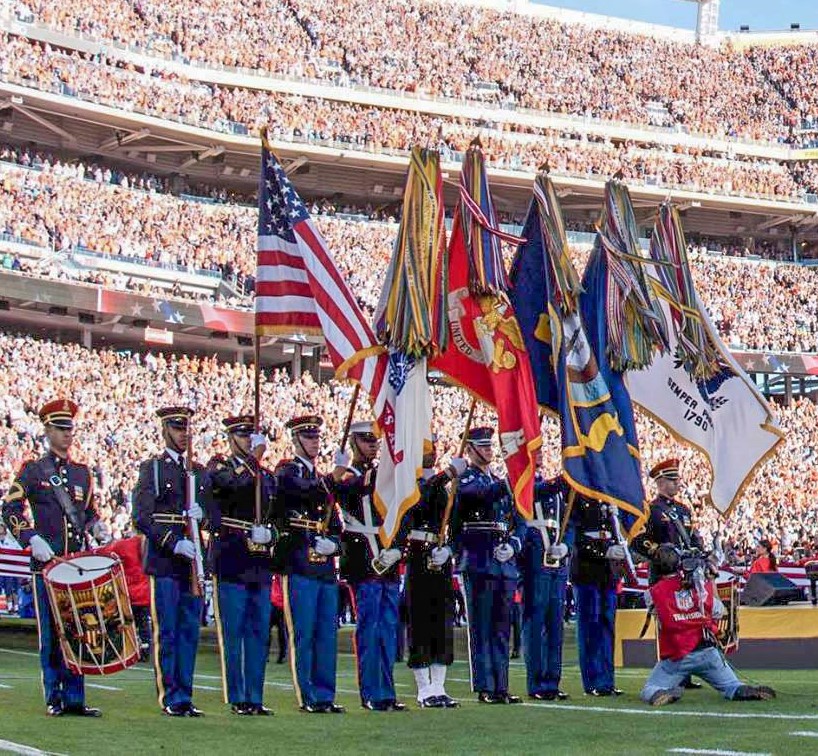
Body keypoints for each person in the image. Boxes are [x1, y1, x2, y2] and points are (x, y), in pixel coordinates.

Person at [0, 399, 101, 717]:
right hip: (47, 564)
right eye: (60, 428)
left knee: (79, 632)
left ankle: (75, 697)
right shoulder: (33, 470)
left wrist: (94, 533)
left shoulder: (82, 473)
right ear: (47, 431)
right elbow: (9, 507)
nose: (67, 434)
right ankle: (54, 696)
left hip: (76, 565)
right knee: (51, 634)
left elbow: (89, 514)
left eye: (70, 428)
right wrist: (30, 539)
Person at [133, 406, 208, 717]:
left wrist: (203, 516)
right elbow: (142, 516)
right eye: (177, 429)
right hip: (165, 560)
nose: (183, 435)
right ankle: (170, 696)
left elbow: (213, 513)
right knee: (168, 630)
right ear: (165, 431)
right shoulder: (152, 469)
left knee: (190, 630)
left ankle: (185, 695)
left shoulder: (198, 472)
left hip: (191, 563)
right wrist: (173, 541)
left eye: (186, 429)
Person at [275, 414, 348, 714]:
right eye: (308, 438)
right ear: (295, 441)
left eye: (317, 438)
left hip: (323, 567)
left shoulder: (320, 478)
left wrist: (335, 544)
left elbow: (336, 524)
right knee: (304, 632)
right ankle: (307, 695)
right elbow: (303, 491)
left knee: (325, 634)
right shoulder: (287, 471)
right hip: (299, 561)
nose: (314, 443)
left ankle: (325, 694)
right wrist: (334, 476)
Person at [640, 545, 776, 706]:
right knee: (732, 686)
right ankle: (740, 690)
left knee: (649, 689)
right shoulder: (699, 586)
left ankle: (662, 692)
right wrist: (710, 580)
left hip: (677, 655)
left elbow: (656, 604)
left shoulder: (654, 592)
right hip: (707, 651)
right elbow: (718, 611)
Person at [205, 414, 277, 716]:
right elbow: (230, 486)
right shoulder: (219, 467)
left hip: (259, 560)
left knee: (259, 632)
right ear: (231, 438)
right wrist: (253, 461)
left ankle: (255, 695)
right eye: (243, 436)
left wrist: (270, 533)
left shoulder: (266, 476)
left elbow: (275, 512)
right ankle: (237, 696)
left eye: (251, 436)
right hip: (232, 557)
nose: (249, 441)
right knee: (234, 631)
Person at [451, 426, 525, 705]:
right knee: (482, 626)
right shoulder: (466, 478)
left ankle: (501, 685)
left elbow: (515, 515)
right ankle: (484, 684)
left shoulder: (495, 479)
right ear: (469, 450)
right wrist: (509, 481)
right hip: (479, 558)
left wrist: (512, 545)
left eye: (489, 446)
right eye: (481, 446)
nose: (488, 450)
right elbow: (477, 497)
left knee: (501, 627)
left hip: (501, 560)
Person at [337, 420, 406, 712]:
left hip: (386, 559)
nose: (373, 446)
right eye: (366, 441)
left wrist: (398, 549)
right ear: (353, 443)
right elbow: (349, 492)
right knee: (369, 628)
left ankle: (387, 691)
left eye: (375, 441)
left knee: (389, 628)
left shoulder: (382, 475)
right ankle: (370, 691)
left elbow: (402, 511)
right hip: (362, 559)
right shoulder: (347, 476)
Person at [404, 438, 466, 709]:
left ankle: (439, 686)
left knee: (442, 619)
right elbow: (417, 501)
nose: (430, 453)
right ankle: (423, 687)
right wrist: (447, 475)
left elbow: (456, 523)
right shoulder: (411, 482)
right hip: (418, 552)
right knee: (420, 619)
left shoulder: (445, 488)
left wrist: (450, 548)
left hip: (441, 555)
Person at [519, 462, 574, 701]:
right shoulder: (526, 483)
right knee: (535, 622)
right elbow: (535, 491)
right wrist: (566, 477)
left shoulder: (557, 492)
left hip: (556, 561)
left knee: (555, 624)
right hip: (535, 559)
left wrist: (566, 545)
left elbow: (568, 522)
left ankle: (552, 680)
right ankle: (536, 681)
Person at [570, 493, 625, 697]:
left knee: (607, 626)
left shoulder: (608, 497)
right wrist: (604, 551)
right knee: (590, 627)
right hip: (587, 569)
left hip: (607, 572)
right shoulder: (577, 496)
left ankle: (607, 679)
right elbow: (574, 534)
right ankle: (593, 680)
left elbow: (613, 531)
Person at [635, 459, 703, 581]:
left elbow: (692, 537)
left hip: (686, 572)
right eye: (673, 480)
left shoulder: (684, 510)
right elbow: (639, 539)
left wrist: (699, 551)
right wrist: (659, 552)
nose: (678, 483)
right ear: (661, 483)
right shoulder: (651, 510)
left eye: (678, 480)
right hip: (662, 573)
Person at [94, 524, 151, 662]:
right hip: (145, 595)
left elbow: (105, 552)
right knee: (143, 625)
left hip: (128, 594)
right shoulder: (150, 546)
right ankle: (144, 650)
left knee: (119, 623)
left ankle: (119, 649)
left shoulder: (125, 545)